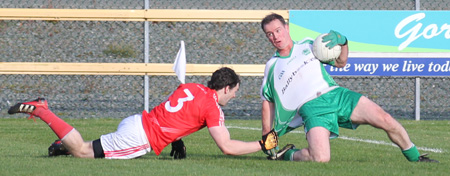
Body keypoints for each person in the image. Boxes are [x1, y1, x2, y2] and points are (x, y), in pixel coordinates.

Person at [258, 13, 438, 163]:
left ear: (287, 28)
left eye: (278, 30)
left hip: (336, 95)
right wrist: (267, 133)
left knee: (386, 118)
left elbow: (341, 62)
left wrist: (343, 43)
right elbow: (268, 100)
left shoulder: (308, 44)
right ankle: (286, 155)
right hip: (313, 108)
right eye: (269, 34)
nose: (275, 36)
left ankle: (416, 158)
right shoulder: (272, 66)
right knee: (320, 158)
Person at [8, 67, 278, 159]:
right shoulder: (213, 107)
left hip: (138, 121)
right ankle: (43, 111)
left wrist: (177, 138)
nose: (235, 96)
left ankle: (61, 146)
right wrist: (261, 144)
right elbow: (227, 147)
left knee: (86, 148)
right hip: (140, 138)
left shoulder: (192, 86)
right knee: (83, 152)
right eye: (235, 91)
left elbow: (176, 115)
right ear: (226, 87)